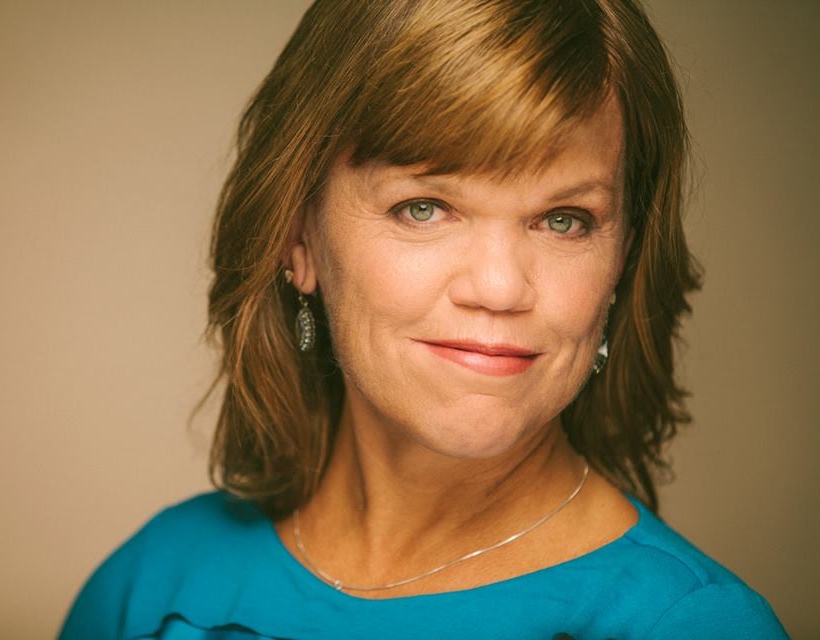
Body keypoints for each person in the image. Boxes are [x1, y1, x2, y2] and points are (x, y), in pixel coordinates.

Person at [59, 0, 789, 638]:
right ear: (297, 238)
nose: (500, 288)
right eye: (425, 208)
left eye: (564, 220)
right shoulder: (152, 590)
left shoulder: (691, 624)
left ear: (623, 260)